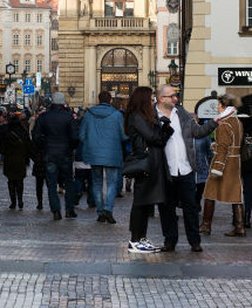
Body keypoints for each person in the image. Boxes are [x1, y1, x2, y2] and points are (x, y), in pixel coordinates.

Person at [154, 85, 224, 252]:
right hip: (165, 170)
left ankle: (195, 241)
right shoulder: (152, 116)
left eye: (176, 96)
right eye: (172, 96)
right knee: (167, 208)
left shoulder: (182, 114)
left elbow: (197, 132)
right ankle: (169, 240)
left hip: (185, 168)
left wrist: (213, 123)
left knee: (191, 207)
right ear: (161, 98)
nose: (175, 99)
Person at [125, 86, 171, 253]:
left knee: (145, 203)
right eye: (151, 98)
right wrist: (164, 130)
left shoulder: (142, 116)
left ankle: (141, 237)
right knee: (140, 202)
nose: (153, 101)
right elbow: (152, 138)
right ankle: (135, 239)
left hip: (151, 162)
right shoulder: (137, 117)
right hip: (145, 163)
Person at [78, 91, 126, 224]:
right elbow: (124, 136)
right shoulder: (117, 115)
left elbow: (81, 135)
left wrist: (91, 143)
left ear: (98, 100)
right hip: (112, 153)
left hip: (94, 153)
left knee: (97, 183)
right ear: (111, 100)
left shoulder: (89, 114)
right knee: (112, 183)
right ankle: (108, 210)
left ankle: (100, 212)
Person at [200, 94, 244, 237]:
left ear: (224, 106)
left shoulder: (223, 123)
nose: (217, 108)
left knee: (209, 193)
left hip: (225, 162)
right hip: (235, 161)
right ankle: (240, 226)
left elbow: (224, 147)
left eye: (218, 105)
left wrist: (217, 167)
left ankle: (206, 226)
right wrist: (216, 145)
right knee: (235, 194)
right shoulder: (237, 121)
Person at [33, 92, 78, 220]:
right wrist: (70, 148)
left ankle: (56, 210)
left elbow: (35, 136)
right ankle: (69, 209)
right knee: (69, 181)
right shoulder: (69, 117)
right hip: (65, 154)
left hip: (50, 154)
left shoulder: (44, 117)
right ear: (63, 102)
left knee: (51, 183)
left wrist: (44, 146)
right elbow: (75, 137)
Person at [0, 110, 33, 210]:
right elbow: (28, 147)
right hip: (20, 160)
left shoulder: (6, 134)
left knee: (11, 181)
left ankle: (13, 202)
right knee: (20, 181)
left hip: (9, 160)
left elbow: (1, 149)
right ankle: (20, 200)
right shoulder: (23, 133)